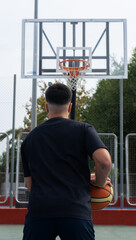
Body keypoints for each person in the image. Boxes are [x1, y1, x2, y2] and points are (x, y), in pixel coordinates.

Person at [21, 83, 112, 240]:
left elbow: (31, 185)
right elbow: (104, 162)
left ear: (46, 106)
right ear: (69, 107)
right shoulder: (84, 130)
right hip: (75, 211)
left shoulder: (30, 138)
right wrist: (98, 182)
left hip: (40, 212)